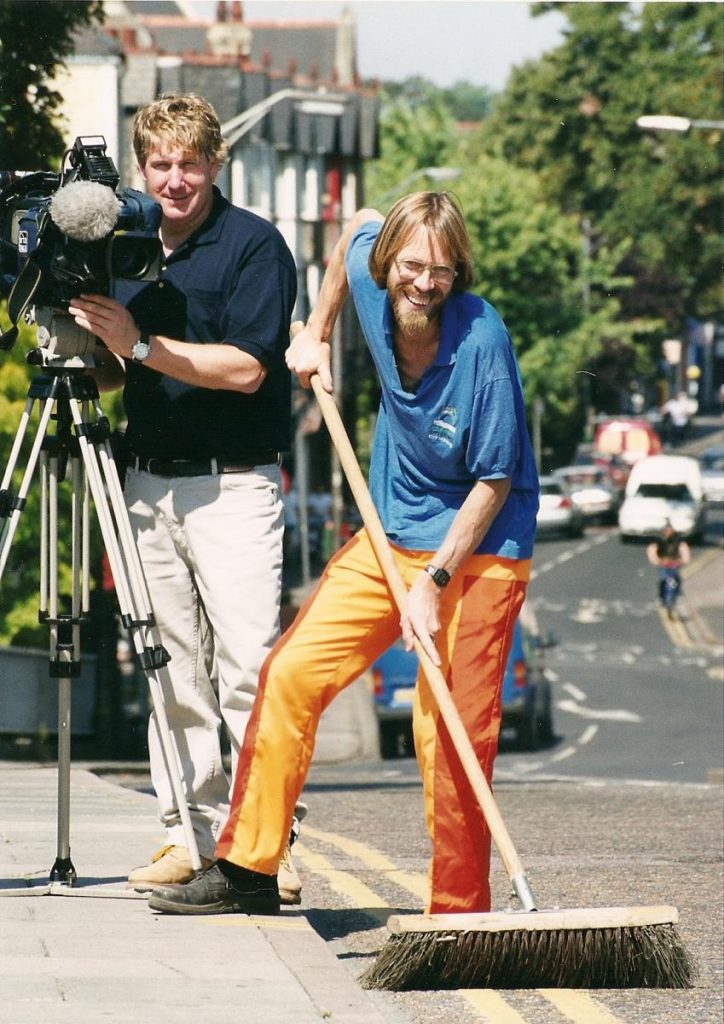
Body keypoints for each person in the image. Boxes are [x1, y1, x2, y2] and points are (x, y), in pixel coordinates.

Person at [146, 190, 539, 918]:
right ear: (388, 264)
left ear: (459, 273)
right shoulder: (370, 273)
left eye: (443, 271)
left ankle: (459, 916)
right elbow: (355, 228)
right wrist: (319, 332)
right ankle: (249, 870)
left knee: (447, 734)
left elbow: (494, 482)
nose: (425, 283)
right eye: (413, 266)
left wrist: (434, 581)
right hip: (390, 536)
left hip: (481, 550)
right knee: (290, 675)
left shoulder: (482, 341)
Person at [68, 93, 304, 903]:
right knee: (167, 672)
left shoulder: (255, 246)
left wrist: (138, 344)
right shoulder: (121, 248)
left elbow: (247, 369)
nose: (175, 180)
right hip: (146, 480)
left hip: (232, 482)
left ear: (215, 163)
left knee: (248, 670)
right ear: (141, 168)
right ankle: (188, 835)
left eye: (190, 164)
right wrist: (88, 346)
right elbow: (115, 372)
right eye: (161, 165)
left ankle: (269, 845)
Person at [646, 522, 690, 617]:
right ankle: (662, 599)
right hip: (663, 566)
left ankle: (675, 599)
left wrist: (681, 561)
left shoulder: (678, 541)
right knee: (664, 580)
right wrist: (658, 561)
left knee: (676, 581)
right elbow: (652, 550)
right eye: (666, 530)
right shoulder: (659, 541)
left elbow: (684, 551)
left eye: (670, 530)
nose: (668, 532)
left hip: (673, 565)